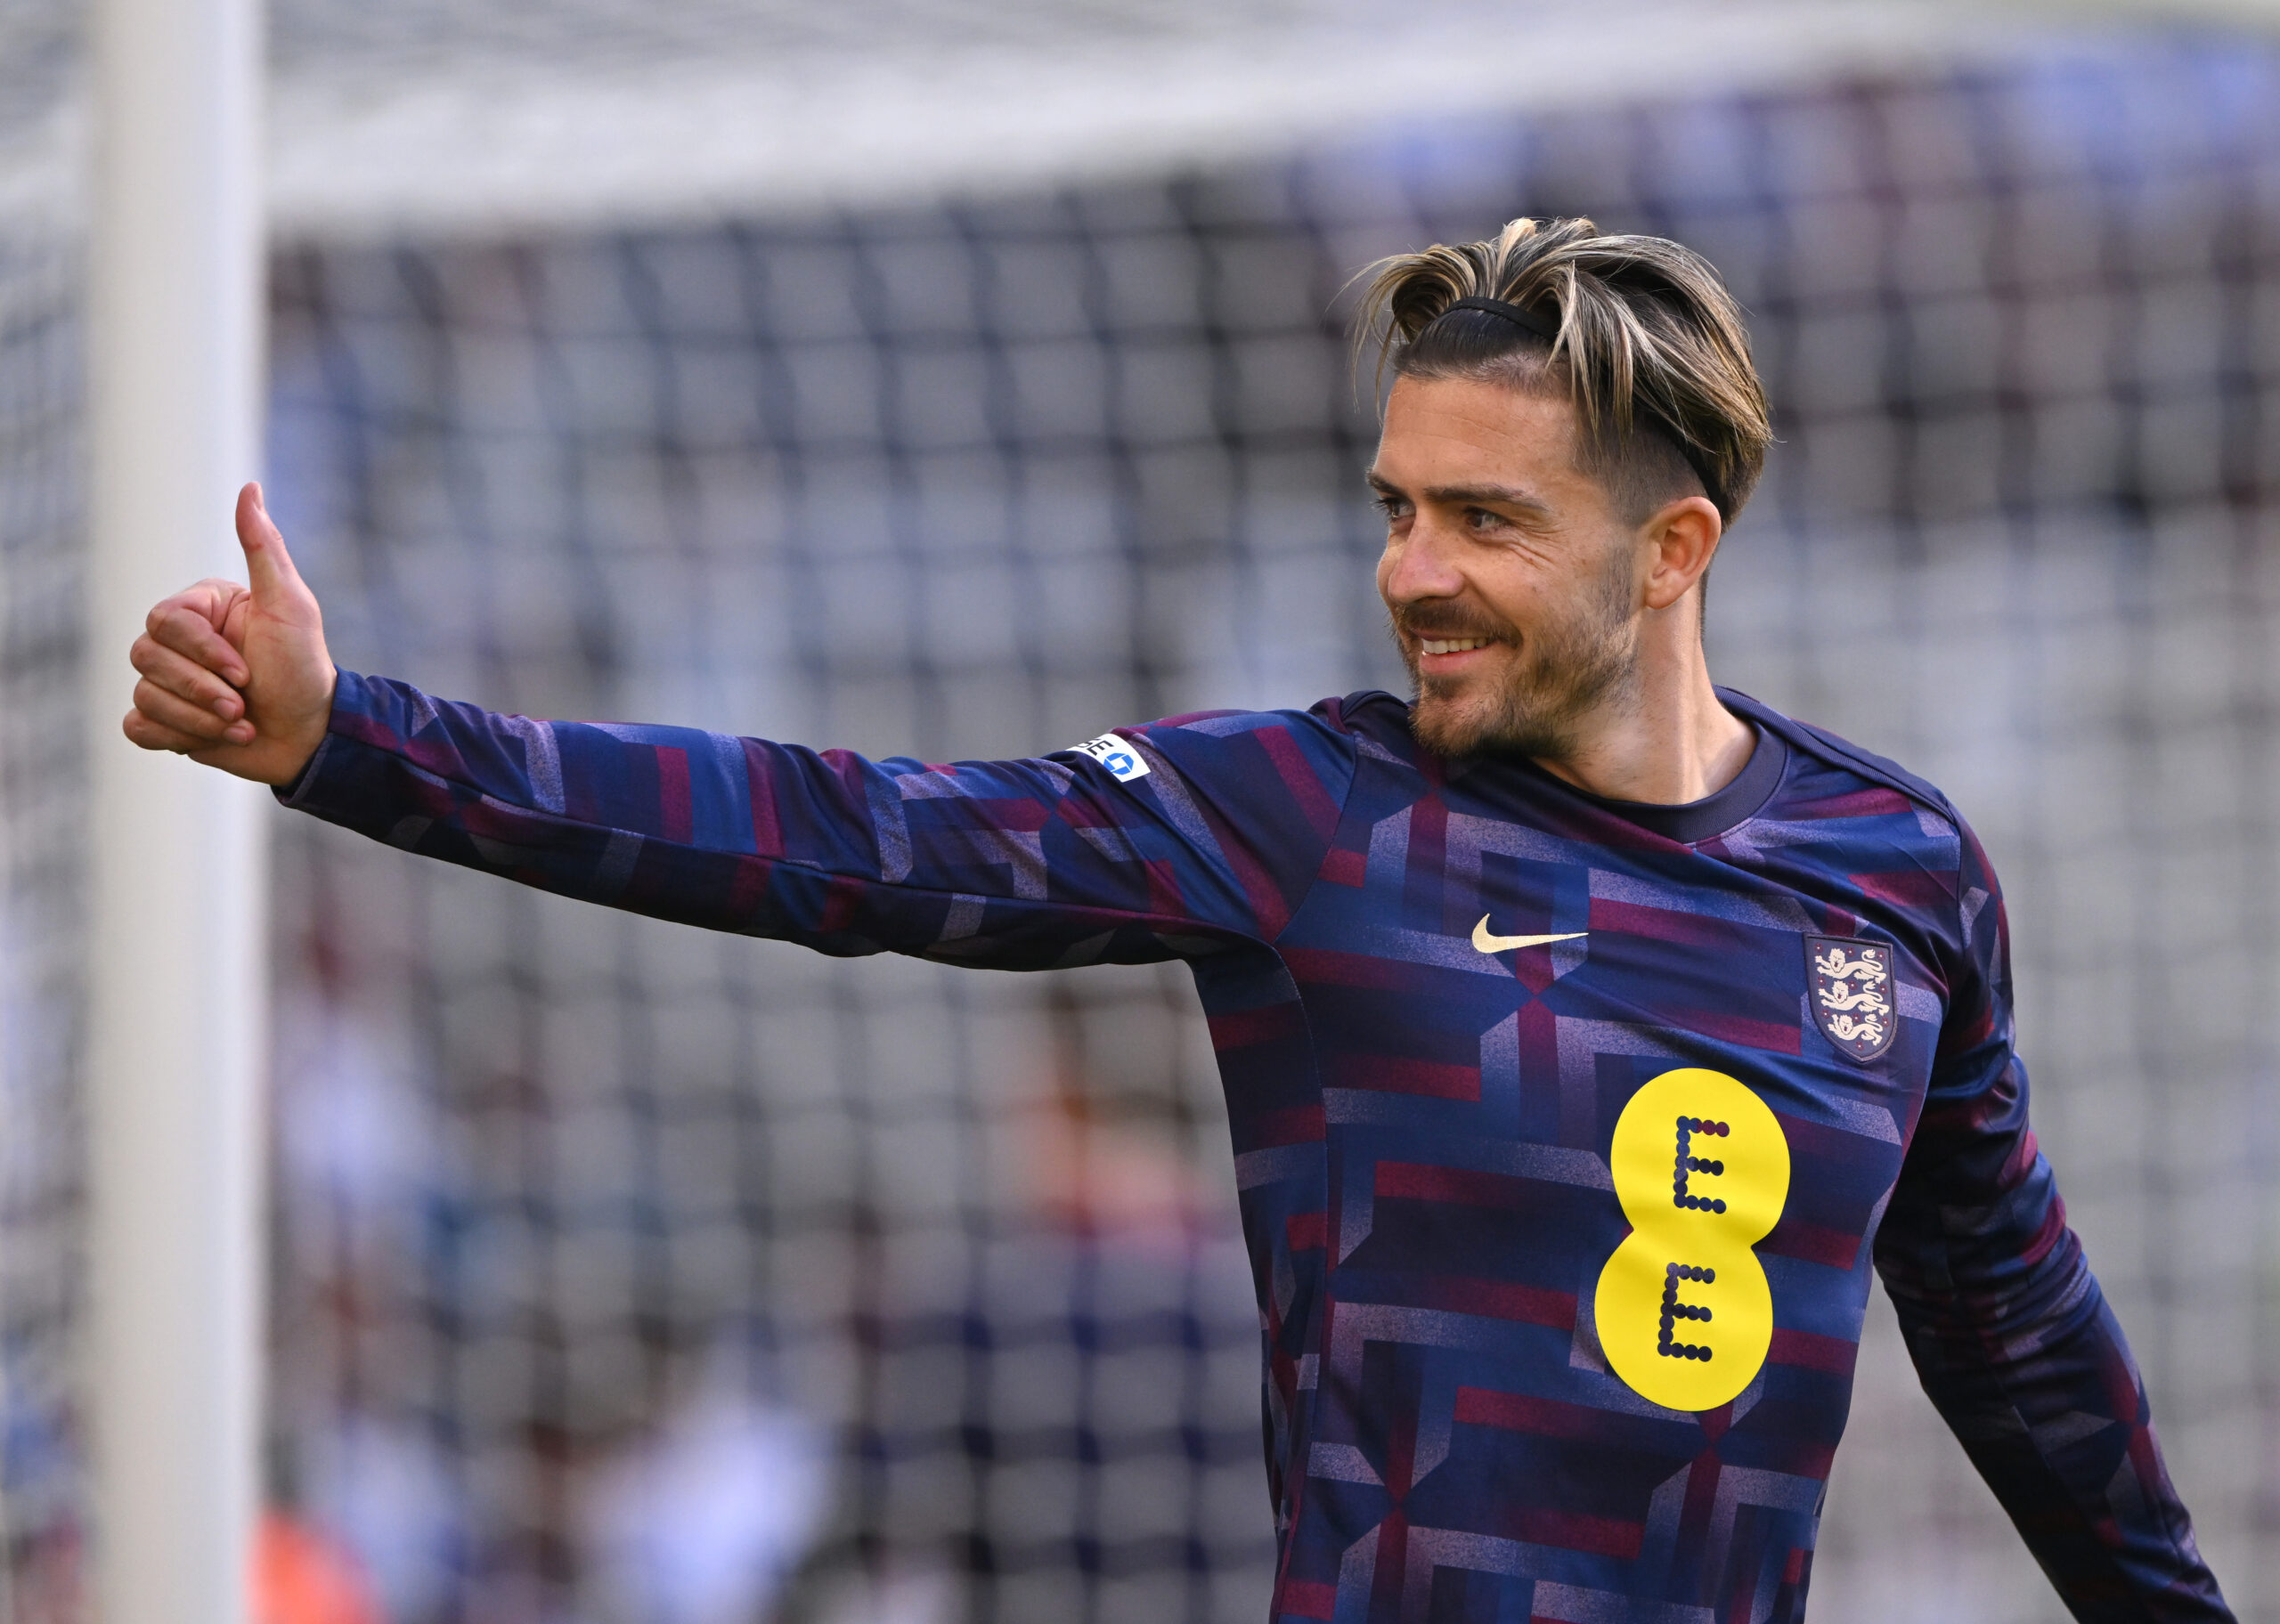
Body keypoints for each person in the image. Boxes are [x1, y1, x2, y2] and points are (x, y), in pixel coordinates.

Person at [122, 217, 2228, 1622]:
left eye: (1484, 519)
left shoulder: (1890, 872)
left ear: (1671, 549)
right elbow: (850, 838)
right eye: (1396, 507)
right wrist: (355, 739)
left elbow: (2021, 1343)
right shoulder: (1309, 816)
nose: (1410, 571)